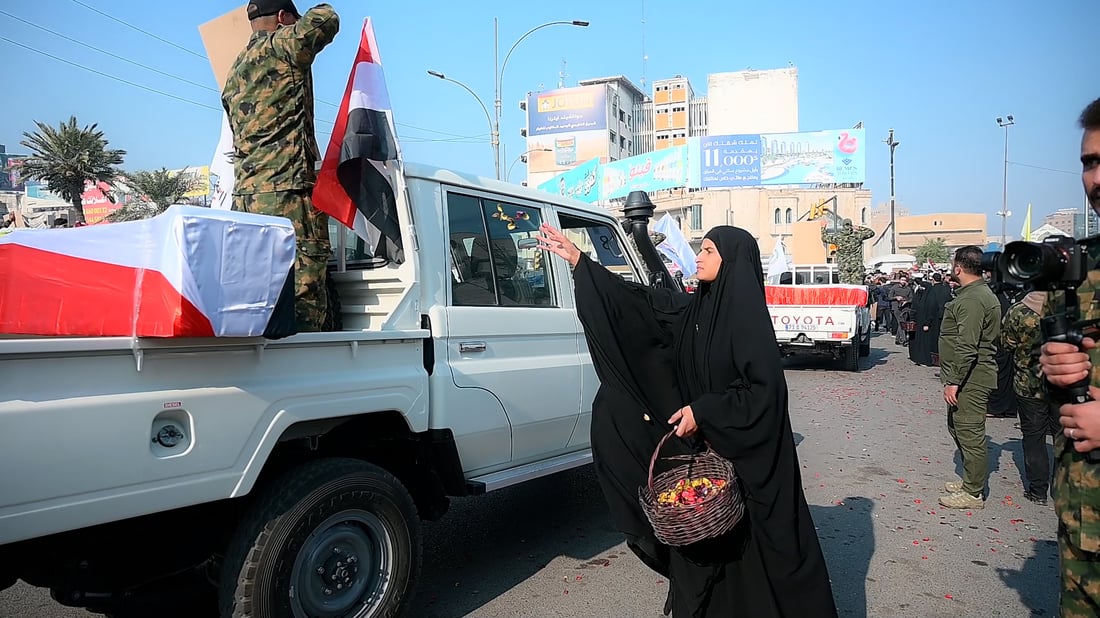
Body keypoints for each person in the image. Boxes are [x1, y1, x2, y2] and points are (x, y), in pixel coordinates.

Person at [538, 223, 838, 617]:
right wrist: (582, 262)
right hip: (713, 456)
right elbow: (643, 304)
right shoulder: (696, 310)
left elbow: (763, 395)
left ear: (732, 261)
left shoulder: (746, 321)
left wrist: (704, 410)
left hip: (751, 464)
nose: (698, 257)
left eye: (709, 251)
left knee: (765, 558)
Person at [222, 0, 339, 331]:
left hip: (246, 200)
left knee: (258, 287)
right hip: (287, 191)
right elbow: (327, 17)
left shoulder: (235, 70)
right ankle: (303, 355)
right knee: (303, 287)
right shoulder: (282, 46)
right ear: (283, 17)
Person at [1036, 97, 1100, 617]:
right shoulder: (1079, 267)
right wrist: (1052, 370)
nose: (1097, 179)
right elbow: (1055, 398)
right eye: (1089, 162)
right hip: (1082, 524)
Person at [937, 246, 1001, 509]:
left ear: (959, 267)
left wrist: (954, 381)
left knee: (970, 432)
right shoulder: (973, 294)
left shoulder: (973, 299)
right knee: (958, 428)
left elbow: (967, 346)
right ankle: (969, 481)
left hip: (971, 378)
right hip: (969, 376)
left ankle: (973, 492)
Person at [1001, 291, 1056, 505]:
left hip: (1029, 384)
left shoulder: (1019, 311)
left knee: (1034, 437)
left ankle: (1038, 491)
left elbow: (1006, 343)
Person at [821, 218, 874, 285]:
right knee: (856, 287)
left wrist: (823, 228)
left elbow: (824, 238)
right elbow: (871, 233)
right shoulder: (858, 235)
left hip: (843, 265)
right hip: (856, 265)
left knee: (845, 287)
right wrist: (859, 228)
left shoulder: (838, 237)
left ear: (843, 226)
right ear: (851, 225)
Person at [892, 274, 913, 346]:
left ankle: (897, 339)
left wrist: (906, 301)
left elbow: (911, 298)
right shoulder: (894, 288)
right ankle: (904, 340)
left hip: (905, 308)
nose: (903, 281)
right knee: (901, 322)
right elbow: (889, 297)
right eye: (902, 280)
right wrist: (896, 297)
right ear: (899, 280)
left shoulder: (908, 289)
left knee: (901, 323)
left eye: (904, 280)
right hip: (896, 307)